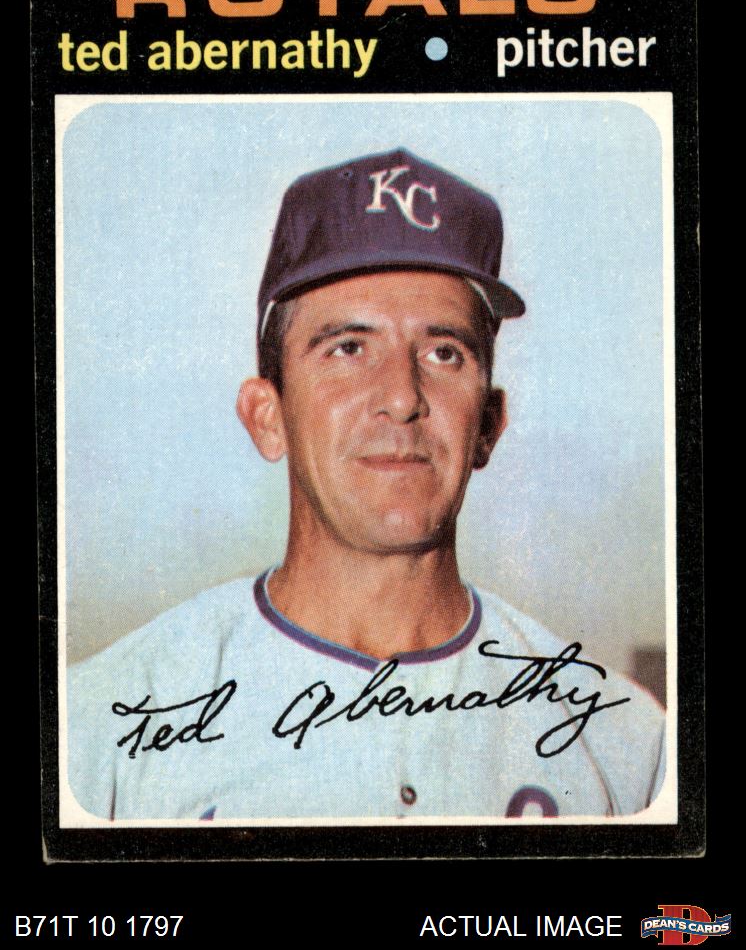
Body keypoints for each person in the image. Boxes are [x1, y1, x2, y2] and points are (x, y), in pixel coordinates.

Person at [67, 148, 665, 821]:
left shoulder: (628, 745)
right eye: (348, 348)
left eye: (444, 352)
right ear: (268, 417)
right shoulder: (103, 727)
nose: (402, 397)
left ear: (488, 424)